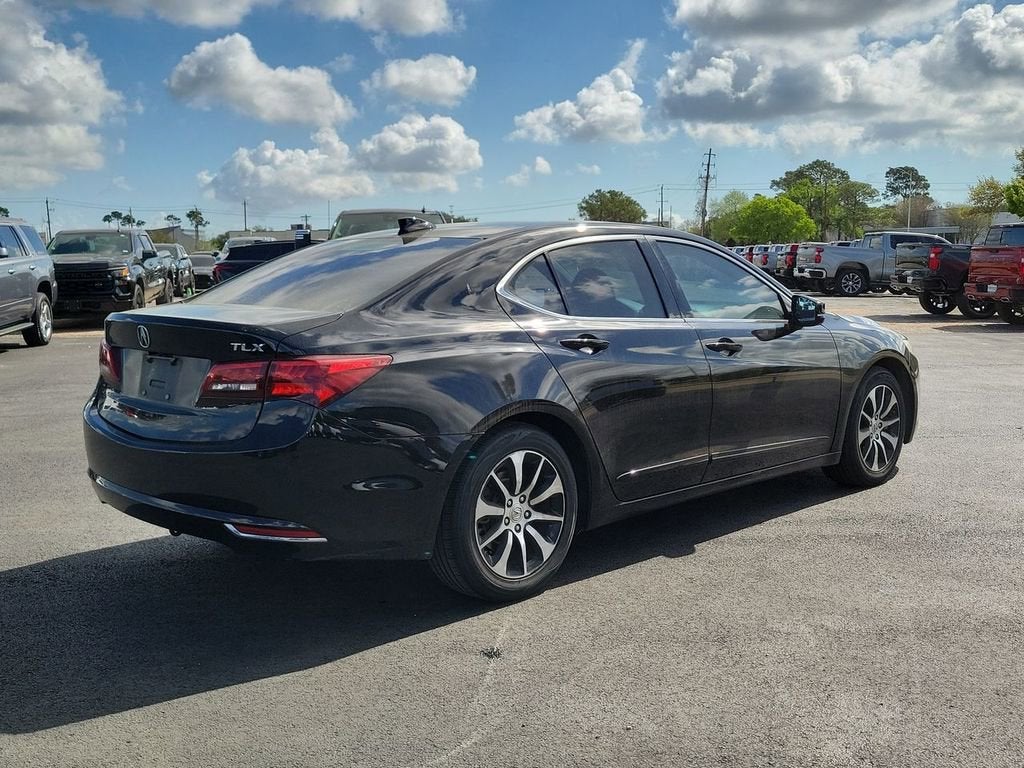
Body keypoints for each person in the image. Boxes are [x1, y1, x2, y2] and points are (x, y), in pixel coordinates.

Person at [568, 267, 635, 317]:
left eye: (608, 283)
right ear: (585, 286)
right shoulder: (570, 312)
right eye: (602, 283)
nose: (610, 285)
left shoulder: (622, 309)